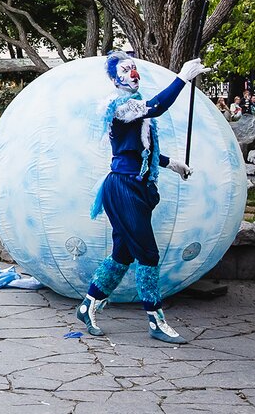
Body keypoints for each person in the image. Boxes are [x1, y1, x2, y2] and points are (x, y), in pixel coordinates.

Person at [75, 52, 208, 345]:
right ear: (114, 79)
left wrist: (174, 164)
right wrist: (182, 77)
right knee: (148, 254)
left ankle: (88, 305)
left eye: (135, 69)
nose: (134, 74)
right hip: (123, 188)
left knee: (123, 254)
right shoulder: (119, 107)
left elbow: (144, 151)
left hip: (137, 187)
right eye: (126, 70)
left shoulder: (135, 109)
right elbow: (156, 107)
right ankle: (155, 319)